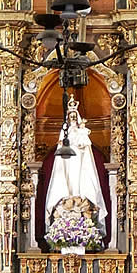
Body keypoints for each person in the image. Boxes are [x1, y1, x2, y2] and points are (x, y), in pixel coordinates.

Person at [44, 97, 108, 236]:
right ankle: (67, 197)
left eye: (74, 116)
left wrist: (82, 136)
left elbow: (85, 144)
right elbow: (61, 146)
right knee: (66, 178)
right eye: (70, 116)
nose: (72, 118)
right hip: (66, 161)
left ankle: (78, 197)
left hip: (79, 159)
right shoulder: (65, 130)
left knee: (80, 179)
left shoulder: (81, 131)